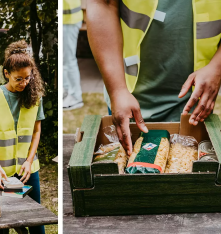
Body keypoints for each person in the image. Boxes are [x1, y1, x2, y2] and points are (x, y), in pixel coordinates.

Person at [87, 0, 221, 155]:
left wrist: (216, 68)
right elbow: (102, 3)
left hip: (196, 101)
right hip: (127, 96)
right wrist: (117, 90)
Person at [0, 40, 46, 234]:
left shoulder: (35, 96)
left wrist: (28, 161)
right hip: (0, 172)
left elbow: (36, 131)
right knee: (2, 223)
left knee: (35, 219)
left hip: (27, 169)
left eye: (27, 78)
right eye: (19, 79)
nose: (24, 83)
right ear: (6, 73)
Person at [63, 0, 84, 110]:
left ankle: (76, 97)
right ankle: (68, 94)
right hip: (67, 19)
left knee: (68, 60)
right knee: (65, 61)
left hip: (69, 20)